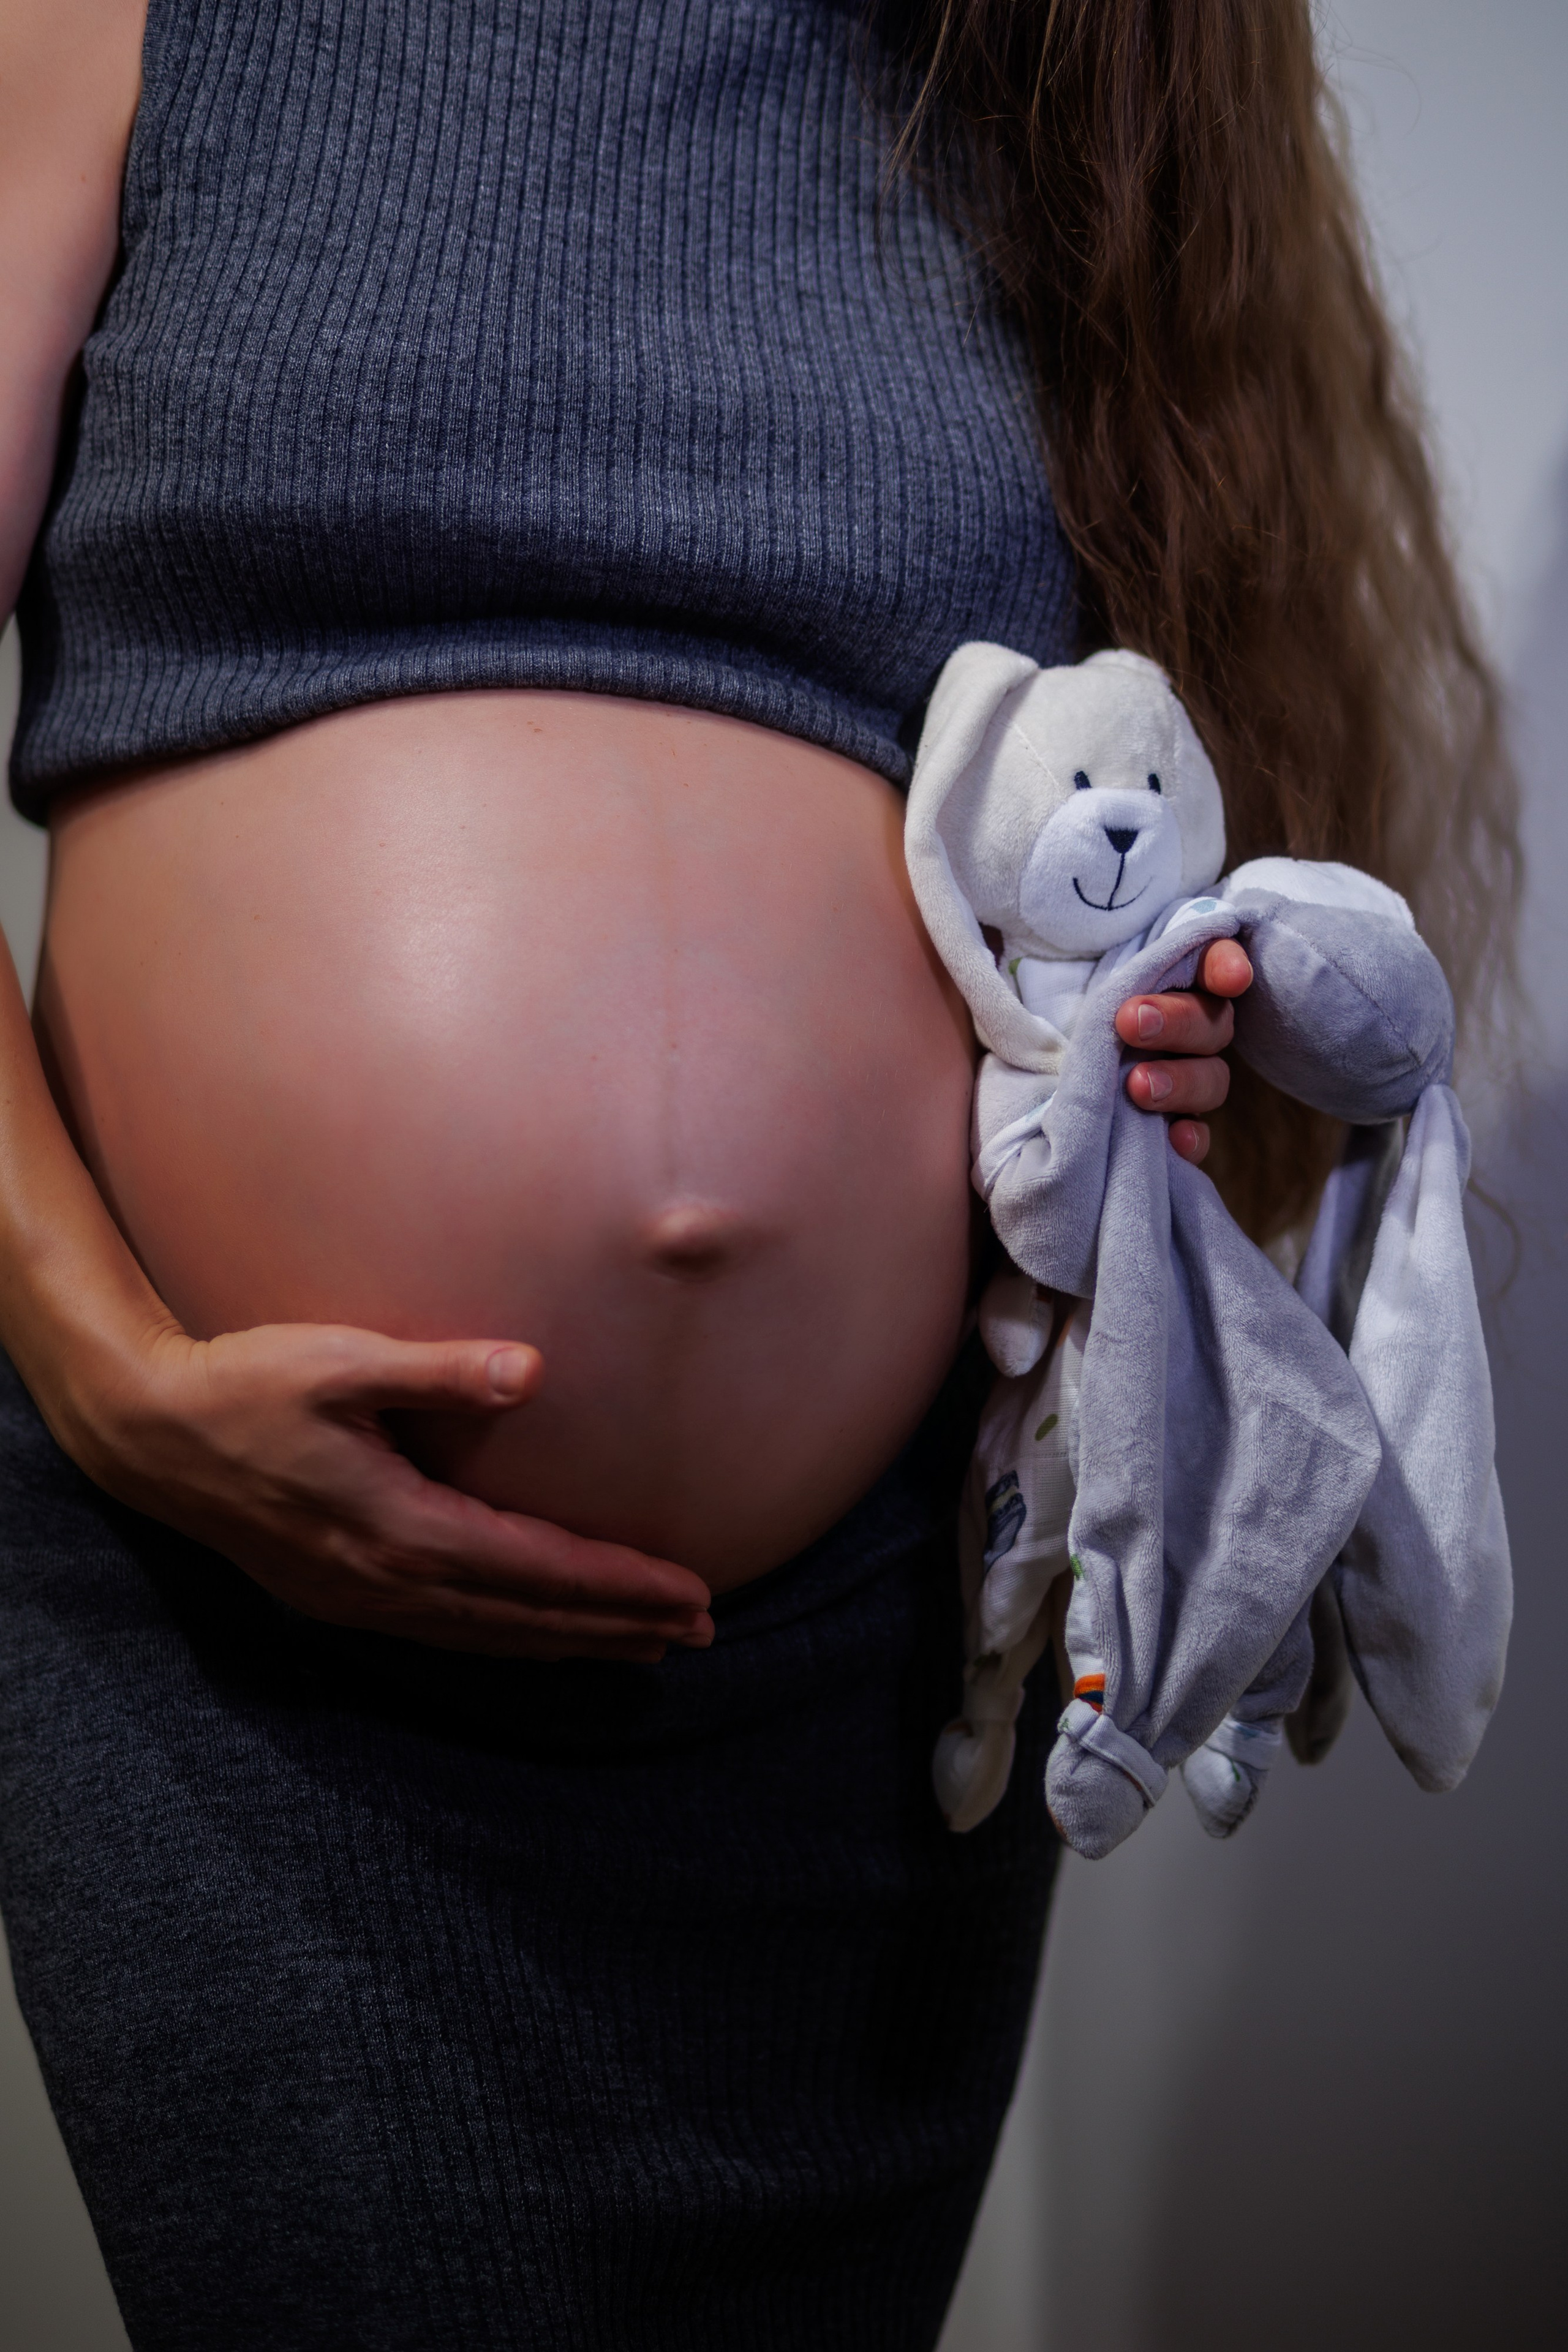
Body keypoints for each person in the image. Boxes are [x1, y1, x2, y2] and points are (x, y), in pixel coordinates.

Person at [0, 2, 1515, 2346]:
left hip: (873, 1663)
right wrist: (91, 1357)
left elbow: (1080, 817)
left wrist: (1136, 1043)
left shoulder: (1041, 61)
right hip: (241, 1621)